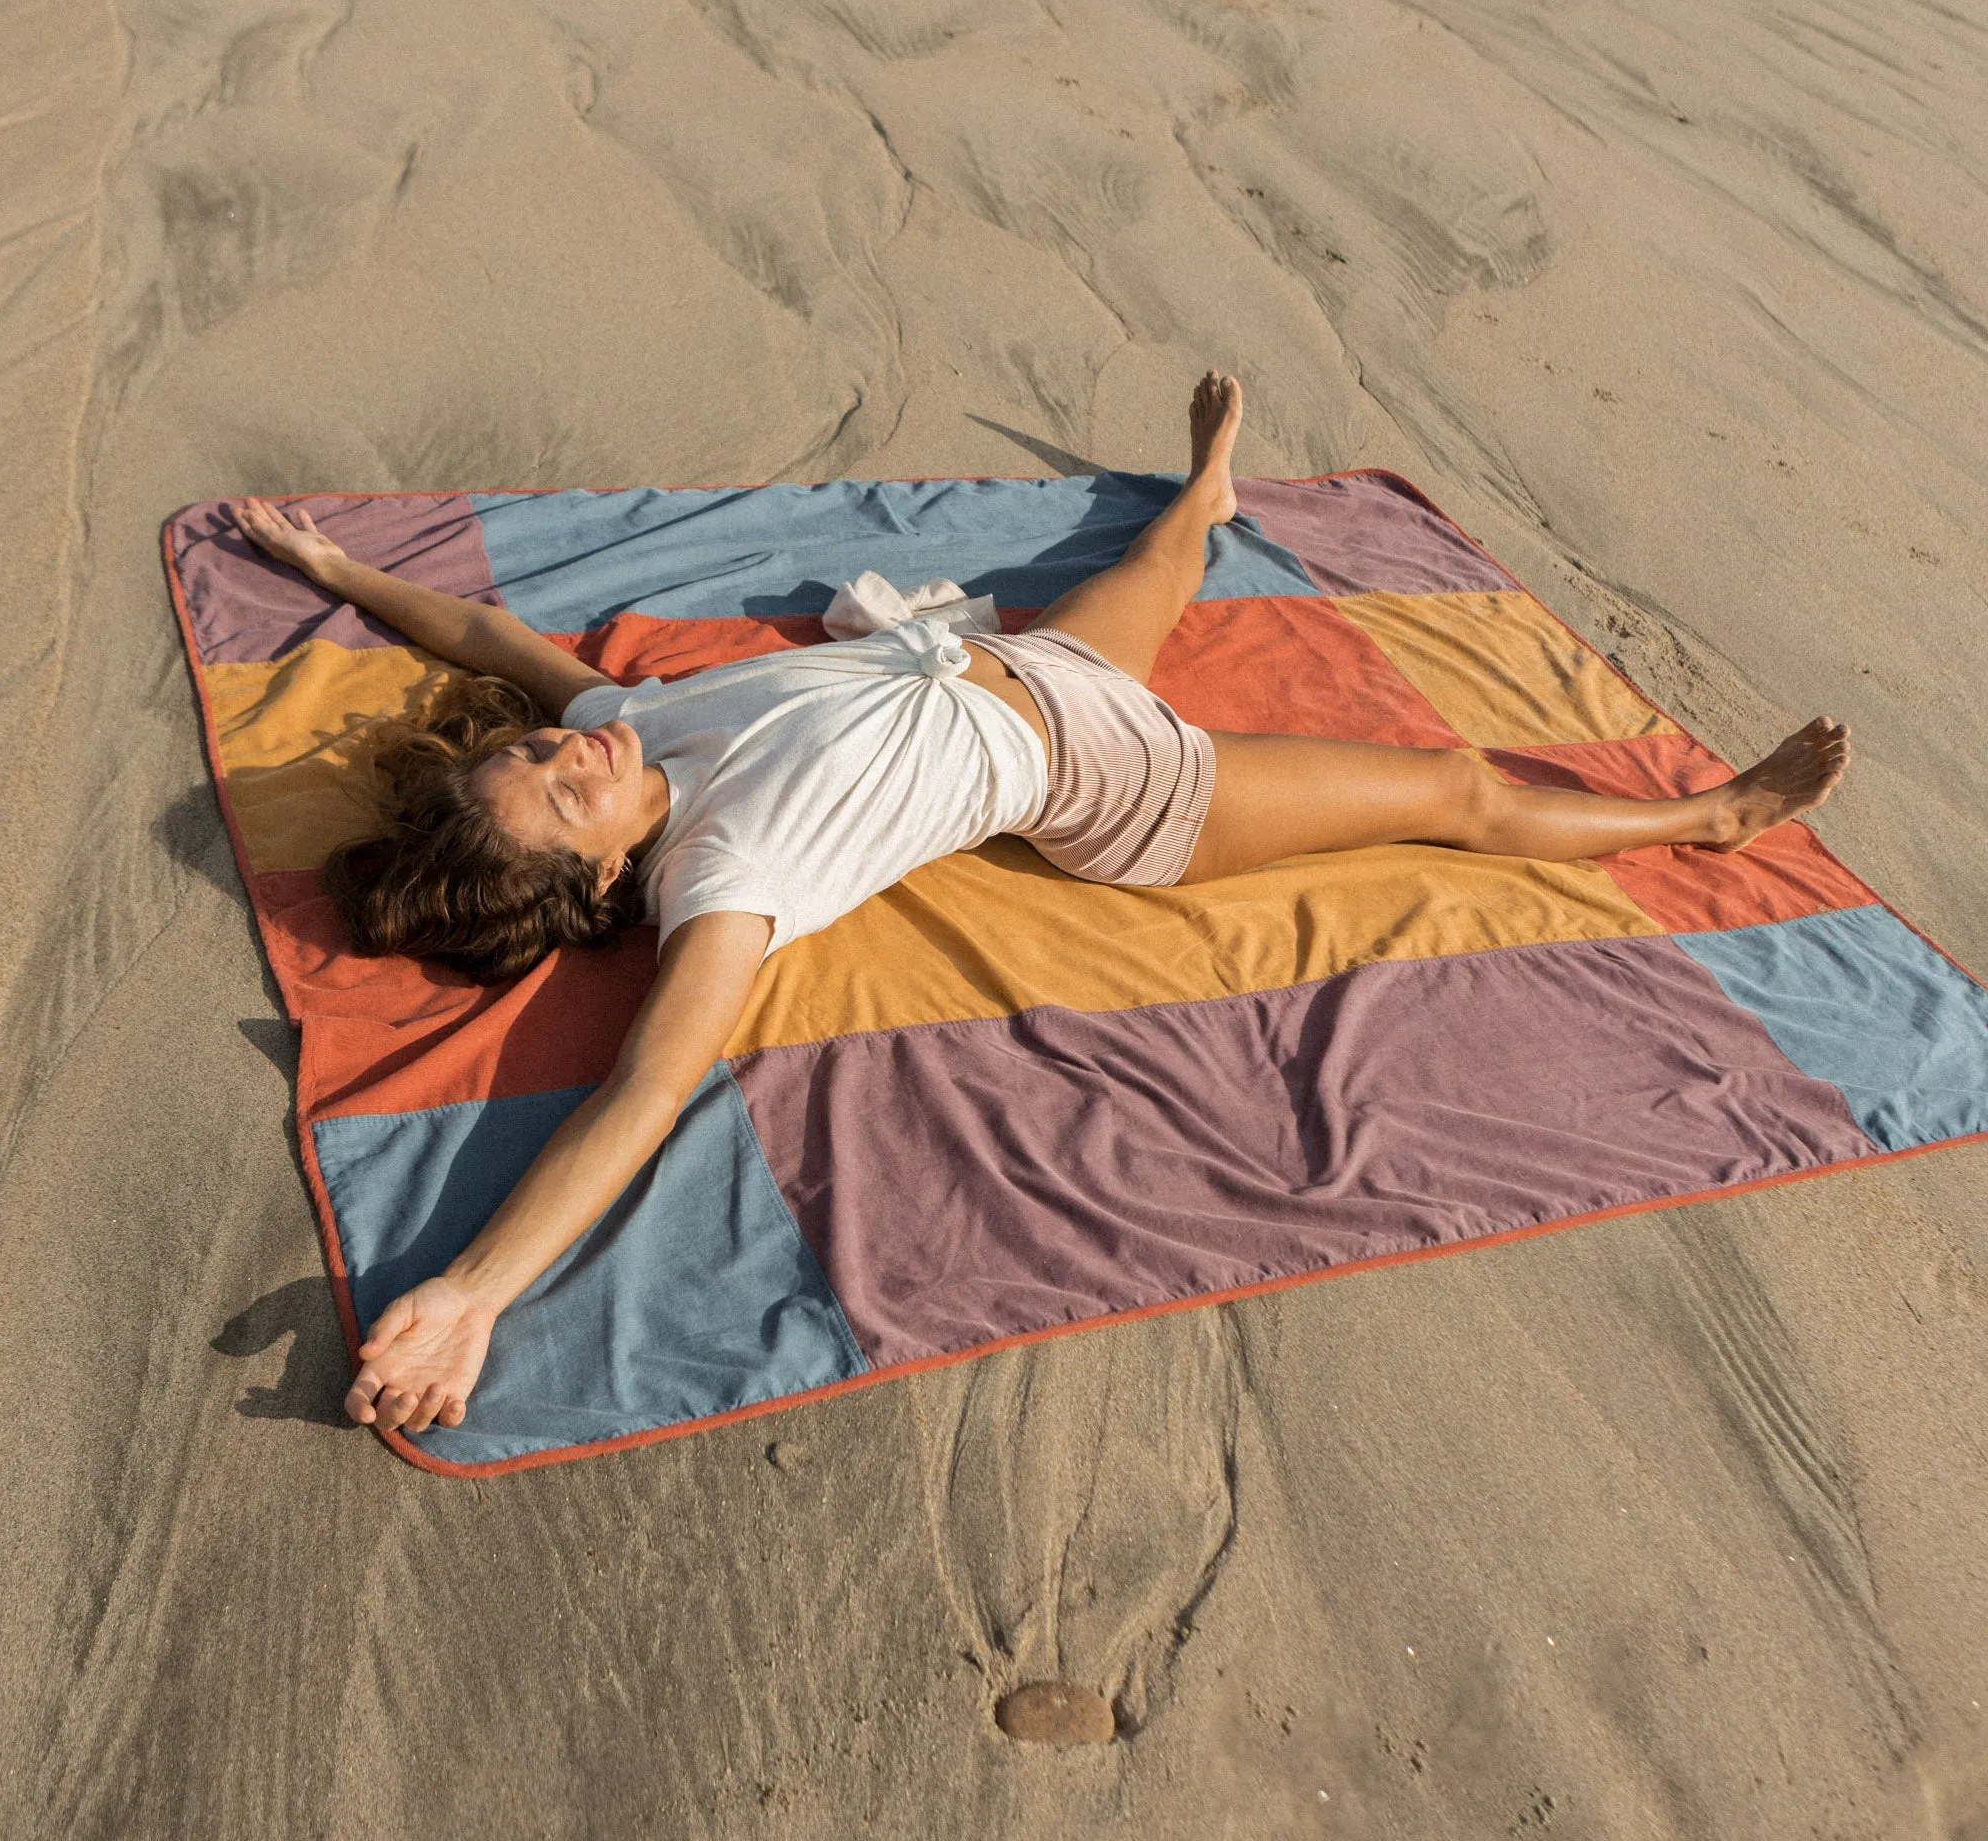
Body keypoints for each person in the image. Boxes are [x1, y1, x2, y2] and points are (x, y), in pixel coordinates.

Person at [233, 374, 1849, 1437]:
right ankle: (1710, 815)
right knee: (1455, 792)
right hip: (1130, 793)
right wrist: (469, 1293)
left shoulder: (619, 729)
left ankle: (1210, 482)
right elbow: (643, 1088)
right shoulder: (723, 874)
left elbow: (496, 647)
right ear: (594, 881)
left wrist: (340, 572)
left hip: (1043, 661)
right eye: (562, 794)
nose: (564, 757)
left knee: (1168, 550)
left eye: (540, 757)